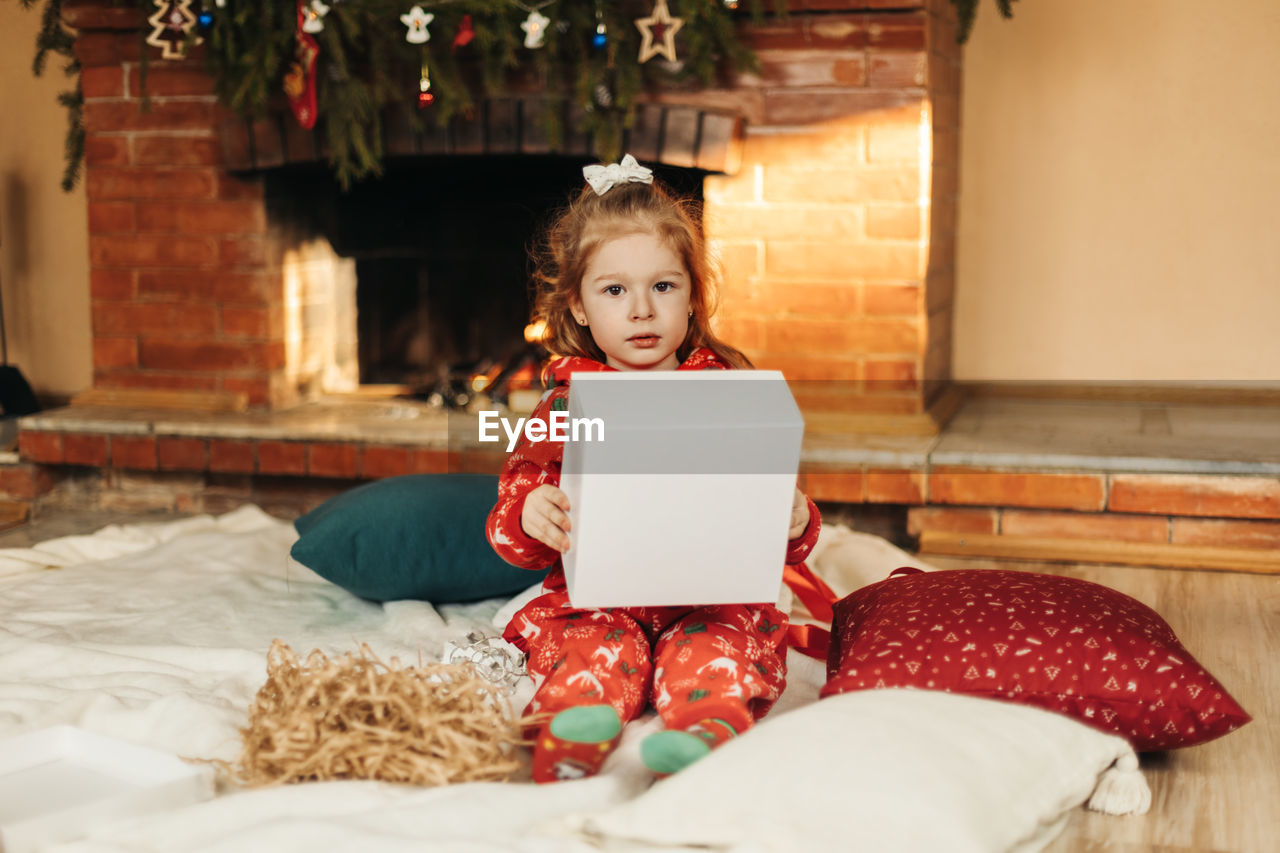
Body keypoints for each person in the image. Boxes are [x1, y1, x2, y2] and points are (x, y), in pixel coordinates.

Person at [486, 155, 821, 784]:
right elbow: (511, 513)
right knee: (594, 651)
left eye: (663, 287)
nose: (641, 309)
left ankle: (704, 730)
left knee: (713, 648)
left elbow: (778, 519)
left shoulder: (726, 392)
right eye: (615, 290)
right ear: (580, 308)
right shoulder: (564, 405)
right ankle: (570, 732)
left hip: (708, 598)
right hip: (599, 601)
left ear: (692, 297)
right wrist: (532, 514)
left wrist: (794, 516)